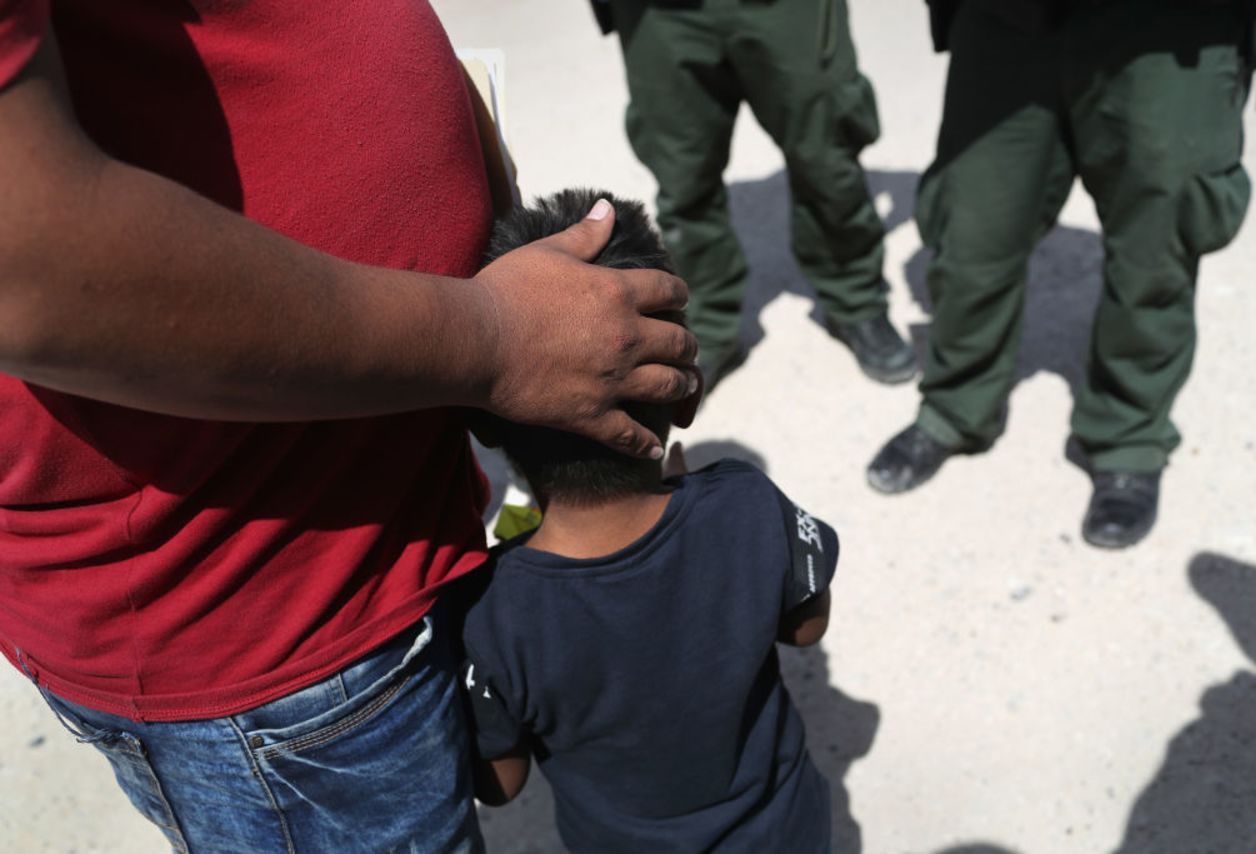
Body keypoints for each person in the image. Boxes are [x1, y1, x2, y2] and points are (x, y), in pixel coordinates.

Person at [0, 2, 697, 850]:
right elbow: (27, 261)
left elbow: (500, 773)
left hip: (383, 509)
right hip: (266, 616)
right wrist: (493, 337)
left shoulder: (516, 607)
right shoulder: (732, 515)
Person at [460, 188, 840, 852]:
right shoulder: (747, 506)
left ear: (487, 429)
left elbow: (500, 783)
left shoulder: (493, 611)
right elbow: (807, 628)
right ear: (684, 394)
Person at [868, 0, 1256, 549]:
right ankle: (957, 407)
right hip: (1008, 20)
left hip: (1173, 29)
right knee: (972, 229)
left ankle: (1128, 437)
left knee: (1157, 248)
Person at [593, 0, 918, 390]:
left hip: (785, 10)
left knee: (827, 159)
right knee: (683, 179)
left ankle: (855, 299)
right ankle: (709, 326)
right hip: (657, 12)